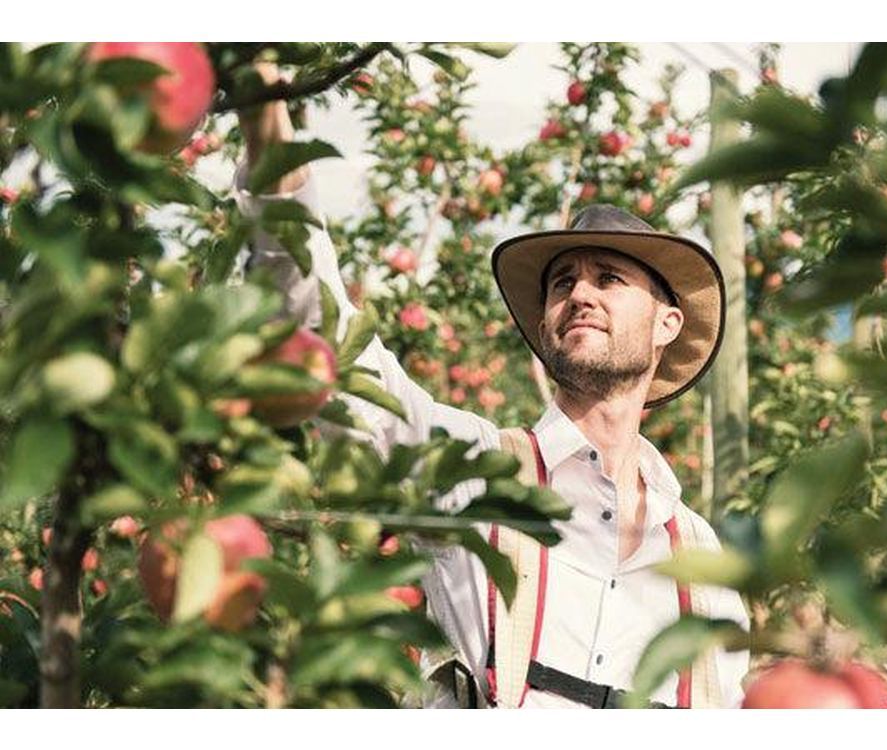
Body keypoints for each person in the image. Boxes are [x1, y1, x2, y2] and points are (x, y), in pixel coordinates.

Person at [234, 73, 750, 709]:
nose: (579, 294)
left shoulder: (700, 558)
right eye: (562, 284)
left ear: (668, 323)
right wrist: (266, 125)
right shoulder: (472, 471)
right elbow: (327, 337)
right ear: (543, 324)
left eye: (609, 277)